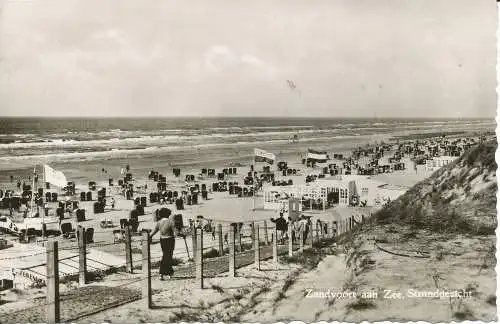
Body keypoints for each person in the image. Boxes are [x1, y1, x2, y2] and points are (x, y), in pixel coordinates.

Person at [150, 210, 183, 280]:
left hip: (162, 241)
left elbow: (153, 232)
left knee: (165, 255)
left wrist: (147, 237)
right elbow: (176, 233)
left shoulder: (159, 222)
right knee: (168, 256)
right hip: (170, 240)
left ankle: (165, 273)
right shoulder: (171, 222)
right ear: (168, 215)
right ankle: (165, 273)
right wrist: (182, 235)